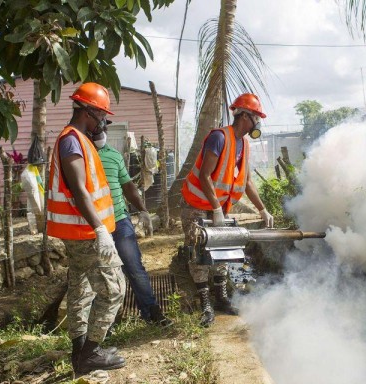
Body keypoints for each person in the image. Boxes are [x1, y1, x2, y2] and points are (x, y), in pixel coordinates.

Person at [46, 82, 126, 375]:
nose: (103, 122)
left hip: (80, 232)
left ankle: (79, 355)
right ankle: (91, 353)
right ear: (89, 112)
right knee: (115, 289)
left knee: (81, 290)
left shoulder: (78, 139)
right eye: (102, 115)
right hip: (86, 233)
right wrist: (100, 229)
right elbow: (79, 189)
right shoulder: (72, 141)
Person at [180, 93, 274, 327]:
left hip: (218, 208)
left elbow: (248, 181)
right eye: (256, 118)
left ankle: (221, 297)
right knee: (199, 254)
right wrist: (215, 208)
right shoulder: (219, 138)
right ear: (244, 116)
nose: (258, 123)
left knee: (223, 250)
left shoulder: (244, 144)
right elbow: (204, 176)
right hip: (198, 207)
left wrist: (262, 210)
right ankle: (205, 304)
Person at [91, 127, 173, 327]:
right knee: (98, 273)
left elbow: (127, 185)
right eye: (97, 126)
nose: (100, 130)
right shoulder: (82, 155)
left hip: (119, 220)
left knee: (134, 267)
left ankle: (151, 311)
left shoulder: (114, 155)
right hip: (93, 225)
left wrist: (143, 210)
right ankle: (101, 323)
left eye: (103, 125)